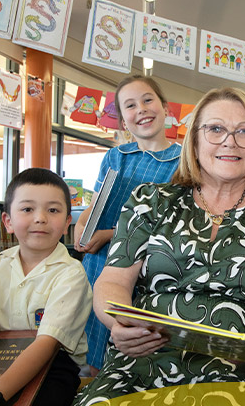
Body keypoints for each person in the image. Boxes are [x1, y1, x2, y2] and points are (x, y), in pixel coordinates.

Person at [69, 87, 245, 406]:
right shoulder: (150, 201)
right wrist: (119, 323)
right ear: (194, 139)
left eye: (244, 131)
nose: (230, 141)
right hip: (141, 364)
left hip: (242, 376)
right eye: (215, 129)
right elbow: (112, 281)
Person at [74, 75, 181, 375]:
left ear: (165, 107)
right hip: (97, 263)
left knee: (131, 347)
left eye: (148, 100)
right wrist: (82, 230)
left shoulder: (184, 161)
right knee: (89, 351)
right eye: (130, 106)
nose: (142, 109)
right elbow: (94, 208)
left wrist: (109, 234)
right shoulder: (115, 156)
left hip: (145, 268)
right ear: (123, 121)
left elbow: (170, 225)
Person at [0, 168, 92, 406]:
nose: (40, 218)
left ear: (67, 221)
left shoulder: (71, 274)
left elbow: (46, 344)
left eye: (53, 209)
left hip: (53, 367)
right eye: (27, 209)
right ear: (7, 221)